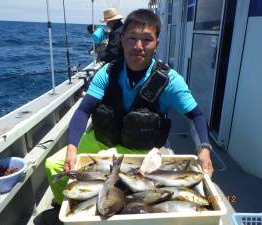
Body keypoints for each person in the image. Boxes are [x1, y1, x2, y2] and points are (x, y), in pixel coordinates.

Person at [43, 9, 213, 223]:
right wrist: (72, 148)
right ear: (122, 40)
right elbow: (84, 110)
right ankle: (68, 209)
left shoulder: (170, 81)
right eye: (132, 38)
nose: (138, 46)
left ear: (157, 44)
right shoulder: (107, 73)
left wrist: (204, 149)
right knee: (54, 166)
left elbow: (196, 116)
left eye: (146, 39)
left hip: (139, 150)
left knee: (135, 192)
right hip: (100, 141)